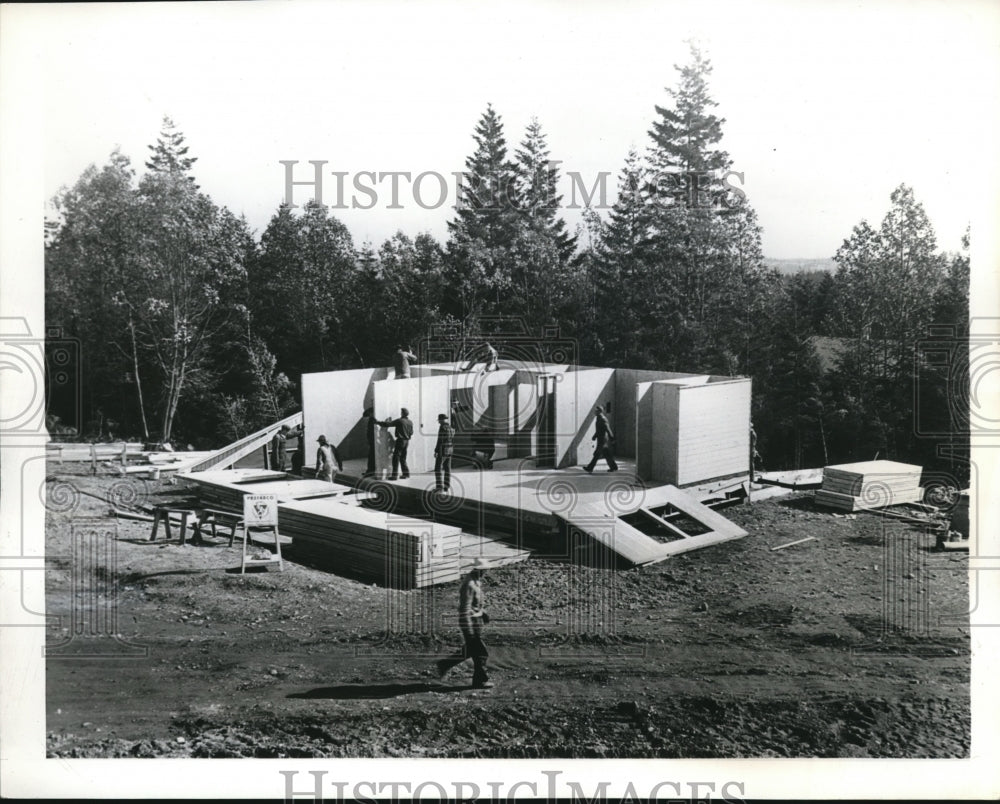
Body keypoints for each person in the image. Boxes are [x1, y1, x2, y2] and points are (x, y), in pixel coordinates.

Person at [436, 558, 493, 688]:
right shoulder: (470, 584)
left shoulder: (476, 581)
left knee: (470, 649)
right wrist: (468, 628)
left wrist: (483, 613)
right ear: (479, 570)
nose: (486, 572)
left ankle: (444, 664)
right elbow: (465, 608)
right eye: (485, 570)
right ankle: (480, 681)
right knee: (481, 653)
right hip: (470, 622)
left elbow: (475, 604)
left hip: (476, 621)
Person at [378, 407, 413, 480]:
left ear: (402, 413)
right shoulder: (410, 422)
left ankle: (394, 476)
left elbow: (388, 424)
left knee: (396, 458)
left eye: (401, 412)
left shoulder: (400, 421)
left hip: (400, 441)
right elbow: (411, 432)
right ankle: (406, 474)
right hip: (407, 441)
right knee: (403, 458)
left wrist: (378, 422)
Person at [583, 404, 618, 473]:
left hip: (603, 439)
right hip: (601, 439)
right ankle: (614, 467)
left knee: (597, 454)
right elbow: (599, 430)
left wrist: (612, 438)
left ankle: (590, 468)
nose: (594, 412)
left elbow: (608, 429)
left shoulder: (602, 419)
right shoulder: (599, 418)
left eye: (596, 411)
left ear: (599, 411)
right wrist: (595, 436)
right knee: (606, 453)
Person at [434, 413, 454, 492]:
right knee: (447, 468)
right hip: (450, 449)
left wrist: (436, 451)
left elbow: (440, 440)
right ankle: (446, 486)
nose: (438, 422)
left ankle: (439, 488)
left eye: (439, 420)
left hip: (443, 449)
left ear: (442, 420)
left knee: (437, 468)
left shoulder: (442, 427)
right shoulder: (450, 428)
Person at [362, 407, 377, 477]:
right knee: (371, 456)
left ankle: (370, 471)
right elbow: (364, 414)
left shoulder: (373, 419)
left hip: (373, 441)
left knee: (371, 456)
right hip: (372, 441)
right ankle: (370, 471)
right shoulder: (372, 419)